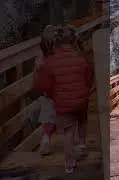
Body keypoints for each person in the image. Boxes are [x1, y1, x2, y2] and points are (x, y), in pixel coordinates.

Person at [35, 24, 93, 173]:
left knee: (68, 131)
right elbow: (88, 75)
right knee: (82, 119)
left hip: (62, 103)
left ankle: (69, 163)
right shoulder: (80, 57)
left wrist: (51, 94)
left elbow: (46, 84)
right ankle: (81, 145)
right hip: (81, 99)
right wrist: (85, 90)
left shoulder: (51, 61)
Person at [33, 25, 58, 156]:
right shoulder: (58, 55)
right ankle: (71, 144)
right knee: (66, 118)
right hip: (59, 92)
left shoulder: (40, 57)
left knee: (47, 118)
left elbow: (36, 77)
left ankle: (46, 139)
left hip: (46, 93)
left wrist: (38, 88)